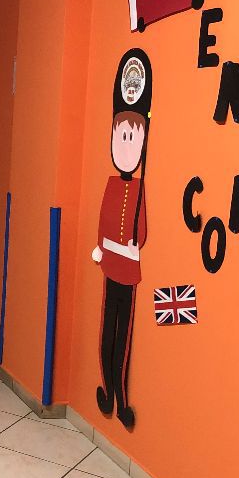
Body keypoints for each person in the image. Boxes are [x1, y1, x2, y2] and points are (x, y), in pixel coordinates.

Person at [92, 50, 152, 430]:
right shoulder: (113, 184)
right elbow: (104, 217)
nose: (126, 143)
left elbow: (141, 229)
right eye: (121, 135)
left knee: (124, 336)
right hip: (110, 262)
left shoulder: (140, 188)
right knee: (106, 328)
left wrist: (134, 243)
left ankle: (122, 398)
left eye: (133, 136)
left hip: (129, 271)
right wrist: (101, 246)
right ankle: (107, 388)